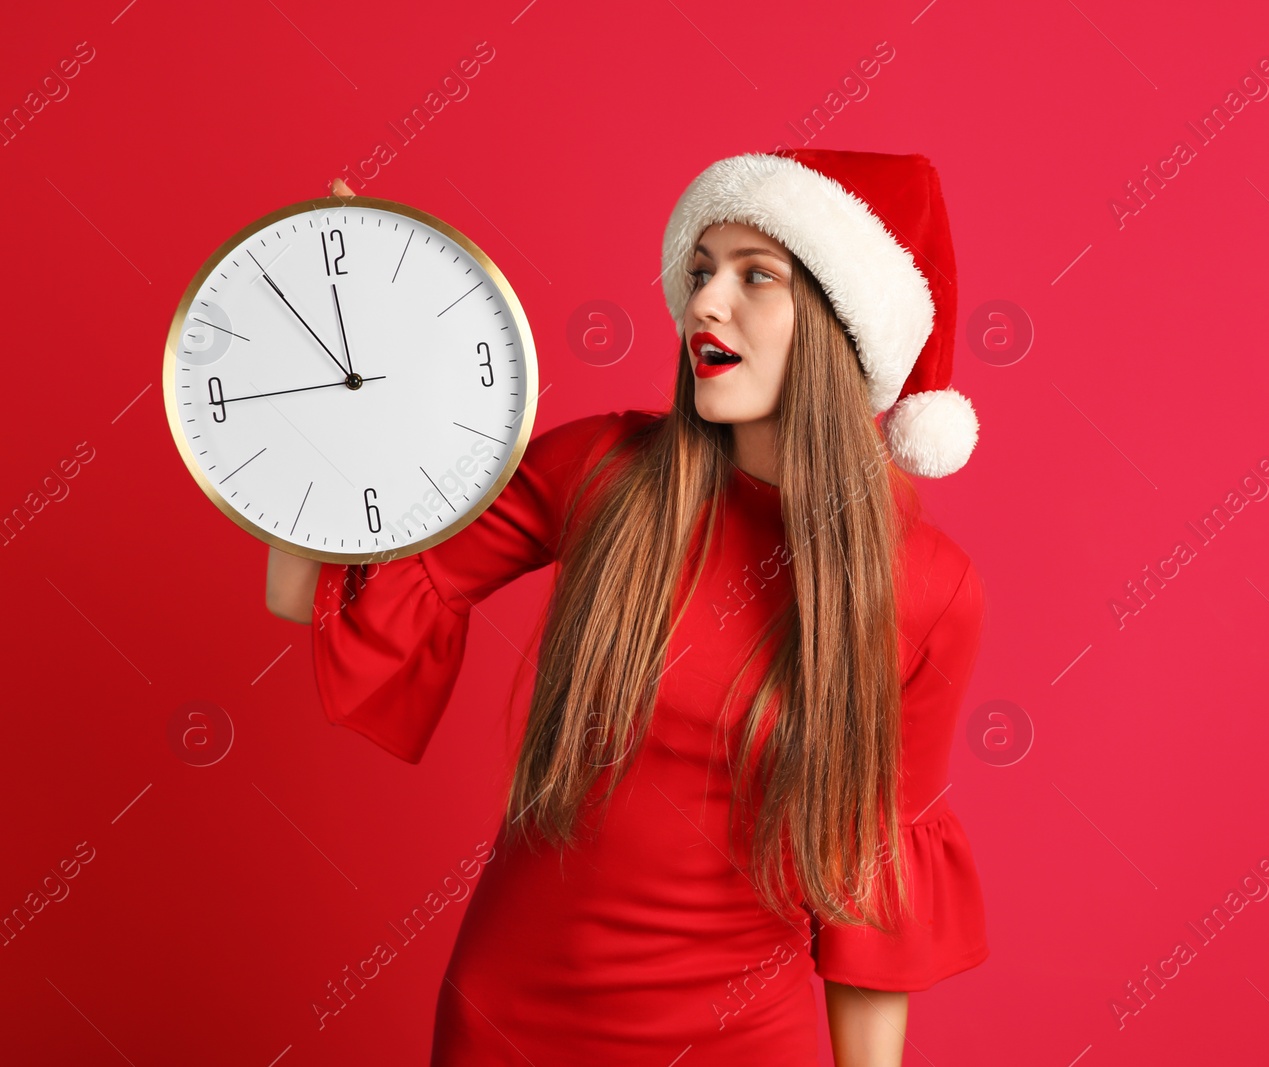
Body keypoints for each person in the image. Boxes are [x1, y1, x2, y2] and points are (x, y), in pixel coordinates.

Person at [267, 149, 987, 1066]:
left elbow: (874, 880)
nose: (704, 304)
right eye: (699, 272)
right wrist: (324, 362)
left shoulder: (930, 588)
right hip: (510, 1021)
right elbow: (313, 592)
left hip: (736, 1041)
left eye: (754, 275)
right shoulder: (604, 471)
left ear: (845, 326)